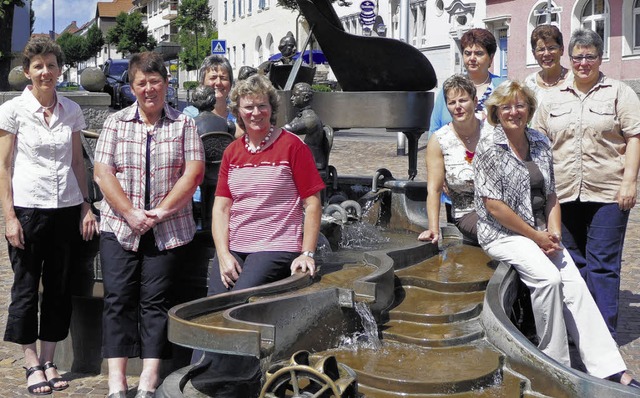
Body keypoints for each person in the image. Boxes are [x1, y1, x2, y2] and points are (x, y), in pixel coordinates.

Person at [474, 80, 639, 389]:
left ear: (529, 109)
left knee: (575, 284)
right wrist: (536, 238)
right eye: (507, 106)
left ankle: (609, 368)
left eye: (520, 105)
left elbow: (551, 195)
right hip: (502, 233)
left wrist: (552, 232)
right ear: (496, 111)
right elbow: (493, 207)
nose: (514, 111)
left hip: (539, 230)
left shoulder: (538, 140)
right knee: (548, 279)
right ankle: (555, 364)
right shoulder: (488, 147)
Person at [190, 74, 324, 397]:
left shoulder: (292, 147)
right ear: (237, 110)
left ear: (271, 108)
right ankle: (197, 375)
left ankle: (225, 383)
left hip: (276, 245)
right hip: (237, 246)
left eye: (261, 106)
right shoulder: (233, 153)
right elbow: (221, 208)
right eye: (248, 107)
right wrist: (222, 253)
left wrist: (307, 252)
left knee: (240, 300)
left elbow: (312, 201)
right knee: (209, 307)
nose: (255, 113)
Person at [94, 51, 205, 398]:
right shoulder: (116, 123)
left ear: (166, 84)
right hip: (120, 227)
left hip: (167, 228)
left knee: (155, 302)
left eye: (155, 81)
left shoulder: (183, 124)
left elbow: (194, 171)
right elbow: (102, 171)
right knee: (117, 299)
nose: (148, 89)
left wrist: (163, 211)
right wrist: (129, 212)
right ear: (131, 88)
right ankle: (117, 381)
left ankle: (148, 378)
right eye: (141, 83)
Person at [0, 37, 98, 396]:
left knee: (59, 288)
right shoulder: (13, 111)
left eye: (51, 65)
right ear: (28, 72)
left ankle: (50, 358)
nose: (46, 72)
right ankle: (30, 362)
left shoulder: (71, 110)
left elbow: (77, 162)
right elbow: (4, 167)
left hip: (66, 209)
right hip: (29, 209)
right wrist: (9, 217)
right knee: (26, 288)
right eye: (38, 66)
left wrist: (86, 204)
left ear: (60, 70)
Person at [532, 28, 640, 340]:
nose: (583, 63)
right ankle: (578, 329)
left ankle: (603, 334)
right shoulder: (551, 98)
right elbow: (538, 143)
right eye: (577, 57)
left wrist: (630, 182)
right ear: (570, 59)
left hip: (608, 193)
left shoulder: (620, 93)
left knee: (603, 265)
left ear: (600, 57)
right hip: (563, 194)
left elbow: (634, 138)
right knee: (573, 264)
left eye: (589, 56)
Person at [418, 75, 491, 245]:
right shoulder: (439, 140)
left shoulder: (491, 131)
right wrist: (433, 229)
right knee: (501, 233)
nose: (457, 107)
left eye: (463, 100)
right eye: (452, 103)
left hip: (501, 209)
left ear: (475, 101)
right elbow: (434, 190)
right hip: (467, 212)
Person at [429, 28, 505, 133]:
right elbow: (434, 129)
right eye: (468, 53)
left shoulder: (503, 88)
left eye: (478, 53)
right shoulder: (450, 88)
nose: (472, 58)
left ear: (491, 58)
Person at [183, 55, 237, 136]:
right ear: (202, 82)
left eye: (223, 78)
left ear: (230, 83)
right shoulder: (190, 115)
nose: (218, 82)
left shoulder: (238, 112)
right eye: (213, 78)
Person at [283, 82, 331, 171]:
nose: (291, 98)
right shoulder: (302, 115)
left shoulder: (310, 118)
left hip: (312, 161)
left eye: (295, 95)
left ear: (306, 98)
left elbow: (289, 129)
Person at [524, 25, 571, 104]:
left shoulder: (574, 80)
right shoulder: (529, 83)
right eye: (541, 50)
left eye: (551, 48)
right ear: (534, 54)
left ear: (561, 50)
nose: (546, 54)